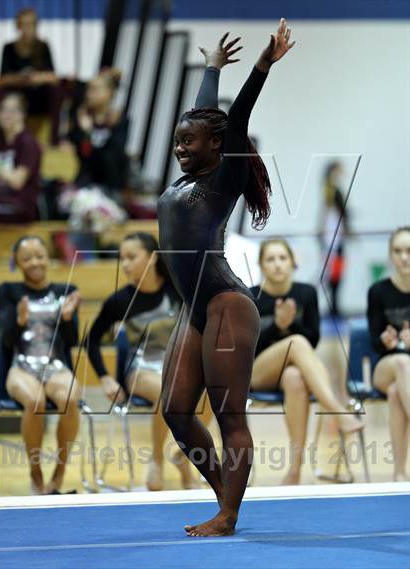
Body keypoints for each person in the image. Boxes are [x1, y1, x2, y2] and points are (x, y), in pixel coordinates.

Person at [156, 19, 295, 537]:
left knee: (228, 415)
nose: (180, 147)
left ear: (217, 146)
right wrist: (211, 68)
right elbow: (207, 117)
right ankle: (226, 495)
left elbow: (232, 122)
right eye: (177, 141)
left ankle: (228, 514)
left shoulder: (223, 177)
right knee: (175, 410)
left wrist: (261, 67)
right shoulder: (190, 173)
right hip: (193, 308)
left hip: (225, 305)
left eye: (189, 142)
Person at [87, 232, 212, 490]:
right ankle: (157, 459)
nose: (126, 264)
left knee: (212, 390)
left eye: (132, 257)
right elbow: (91, 340)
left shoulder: (176, 290)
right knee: (170, 393)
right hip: (140, 370)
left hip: (177, 365)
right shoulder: (119, 300)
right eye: (122, 258)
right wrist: (105, 377)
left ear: (153, 257)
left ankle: (184, 455)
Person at [250, 239, 364, 485]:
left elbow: (313, 340)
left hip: (289, 372)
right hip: (258, 371)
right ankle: (337, 410)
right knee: (296, 342)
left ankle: (295, 469)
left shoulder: (306, 293)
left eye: (283, 258)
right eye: (270, 259)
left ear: (293, 262)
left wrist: (291, 324)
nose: (278, 264)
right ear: (260, 265)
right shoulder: (252, 296)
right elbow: (248, 347)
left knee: (296, 378)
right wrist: (278, 327)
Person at [0, 236, 81, 494]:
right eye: (26, 258)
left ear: (48, 258)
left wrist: (67, 318)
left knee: (70, 397)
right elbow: (7, 340)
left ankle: (59, 472)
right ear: (17, 263)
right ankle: (35, 473)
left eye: (39, 256)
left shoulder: (65, 290)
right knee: (35, 401)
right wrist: (19, 320)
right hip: (21, 365)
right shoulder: (8, 291)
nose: (34, 262)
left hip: (54, 364)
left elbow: (72, 341)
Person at [367, 227, 410, 481]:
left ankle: (398, 473)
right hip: (386, 366)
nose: (404, 257)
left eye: (409, 251)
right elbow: (374, 340)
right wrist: (385, 340)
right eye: (398, 251)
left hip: (402, 382)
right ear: (390, 255)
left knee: (397, 392)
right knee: (402, 364)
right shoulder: (378, 292)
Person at [0, 7, 62, 145]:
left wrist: (37, 78)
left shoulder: (43, 47)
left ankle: (54, 139)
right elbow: (3, 78)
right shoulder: (8, 48)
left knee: (56, 91)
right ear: (18, 26)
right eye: (24, 24)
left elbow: (53, 76)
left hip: (38, 95)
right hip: (17, 94)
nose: (27, 29)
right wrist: (23, 79)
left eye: (31, 24)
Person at [68, 69, 129, 196]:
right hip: (85, 183)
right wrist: (84, 132)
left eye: (95, 89)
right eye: (89, 89)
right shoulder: (82, 119)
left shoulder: (119, 120)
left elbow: (112, 158)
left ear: (110, 92)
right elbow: (83, 157)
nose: (89, 94)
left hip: (111, 185)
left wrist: (89, 133)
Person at [0, 92, 41, 223]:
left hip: (20, 204)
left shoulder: (28, 142)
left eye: (12, 110)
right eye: (3, 110)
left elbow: (17, 182)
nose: (6, 115)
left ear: (22, 114)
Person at [318, 161, 350, 317]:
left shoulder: (330, 190)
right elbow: (340, 213)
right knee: (333, 274)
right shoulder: (331, 191)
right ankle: (333, 307)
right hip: (333, 238)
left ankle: (334, 306)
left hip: (334, 237)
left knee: (335, 274)